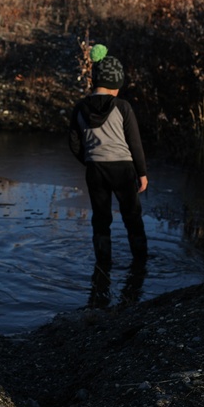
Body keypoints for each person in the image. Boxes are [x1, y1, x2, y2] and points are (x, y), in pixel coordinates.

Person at [68, 44, 148, 306]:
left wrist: (89, 160)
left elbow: (74, 143)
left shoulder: (79, 108)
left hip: (96, 170)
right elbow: (134, 142)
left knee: (101, 219)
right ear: (115, 84)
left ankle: (103, 265)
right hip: (123, 168)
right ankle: (140, 261)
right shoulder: (122, 107)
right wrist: (142, 173)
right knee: (131, 216)